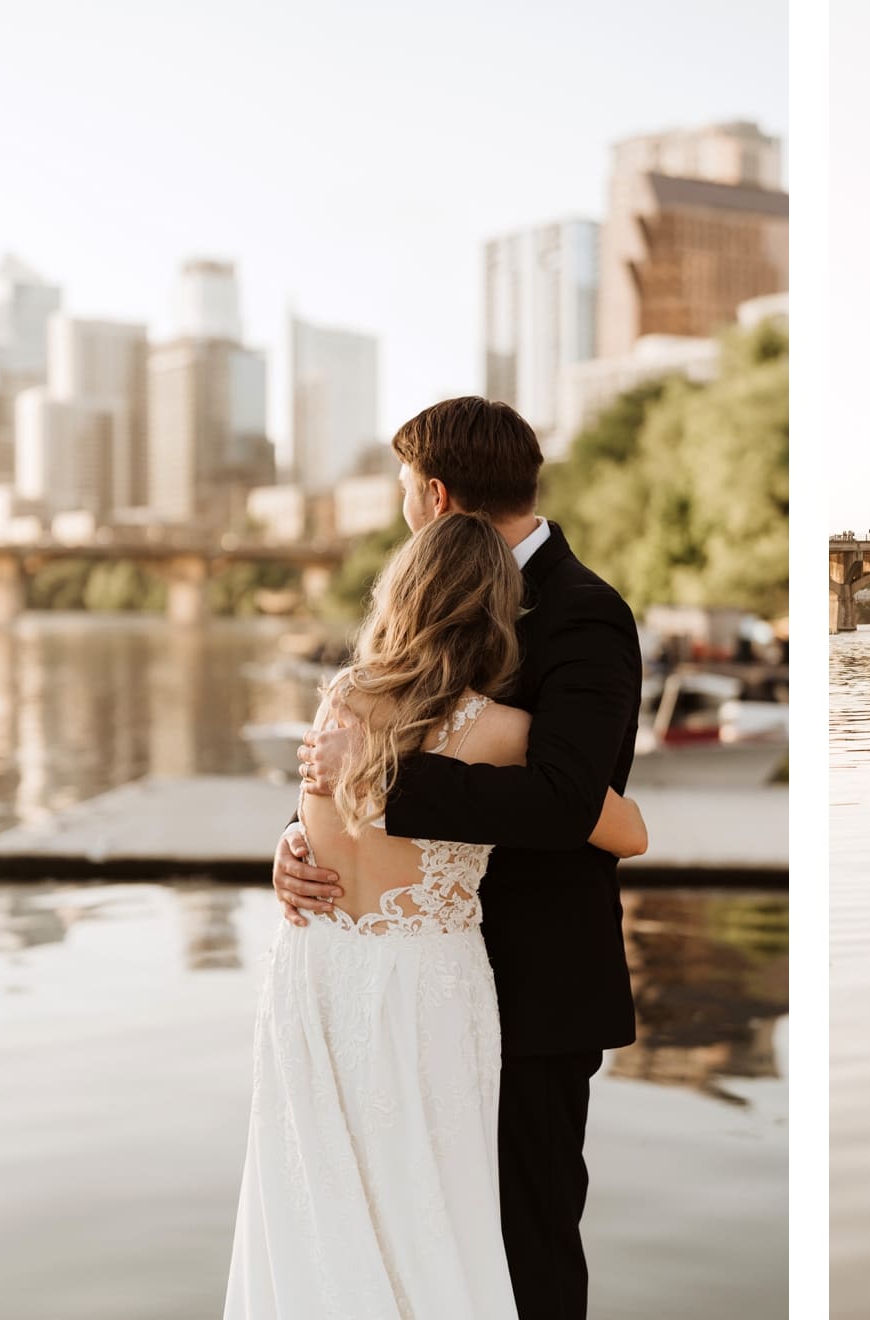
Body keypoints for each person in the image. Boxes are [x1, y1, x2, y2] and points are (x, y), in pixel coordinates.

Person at [272, 397, 648, 1319]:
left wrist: (384, 783)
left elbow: (567, 802)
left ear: (435, 496)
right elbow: (353, 752)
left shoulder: (585, 612)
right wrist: (294, 841)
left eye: (405, 486)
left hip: (531, 989)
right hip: (406, 981)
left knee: (527, 1246)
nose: (404, 507)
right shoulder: (410, 631)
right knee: (403, 1237)